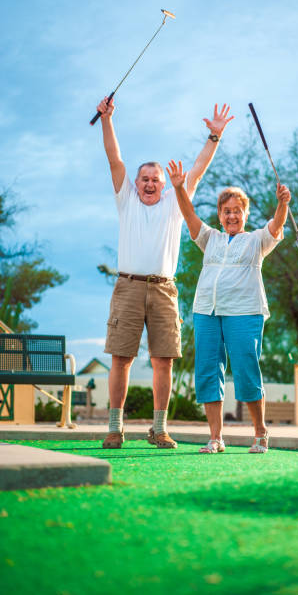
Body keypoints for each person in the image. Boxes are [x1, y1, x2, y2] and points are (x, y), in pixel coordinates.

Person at [97, 97, 234, 449]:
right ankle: (116, 427)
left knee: (163, 361)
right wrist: (107, 119)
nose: (148, 183)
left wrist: (214, 136)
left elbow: (199, 169)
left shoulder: (175, 201)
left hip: (163, 289)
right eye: (143, 179)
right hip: (128, 287)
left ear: (163, 183)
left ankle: (159, 428)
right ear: (136, 182)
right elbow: (115, 159)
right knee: (121, 359)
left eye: (155, 179)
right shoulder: (125, 199)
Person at [166, 159, 291, 453]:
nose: (232, 215)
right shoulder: (210, 238)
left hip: (245, 312)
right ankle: (215, 438)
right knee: (209, 370)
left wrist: (282, 203)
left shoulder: (257, 240)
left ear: (245, 214)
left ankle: (260, 433)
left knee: (247, 368)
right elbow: (188, 214)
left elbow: (277, 225)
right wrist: (179, 187)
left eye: (237, 210)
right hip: (206, 311)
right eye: (227, 211)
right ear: (220, 216)